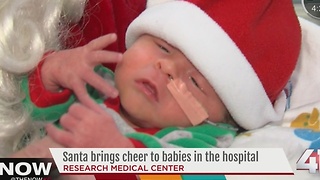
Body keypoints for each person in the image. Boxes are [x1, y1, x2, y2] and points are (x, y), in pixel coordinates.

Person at [4, 0, 301, 157]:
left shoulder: (199, 140)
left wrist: (117, 152)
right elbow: (25, 115)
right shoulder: (98, 85)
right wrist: (52, 73)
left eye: (196, 83)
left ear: (222, 119)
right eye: (162, 47)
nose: (167, 68)